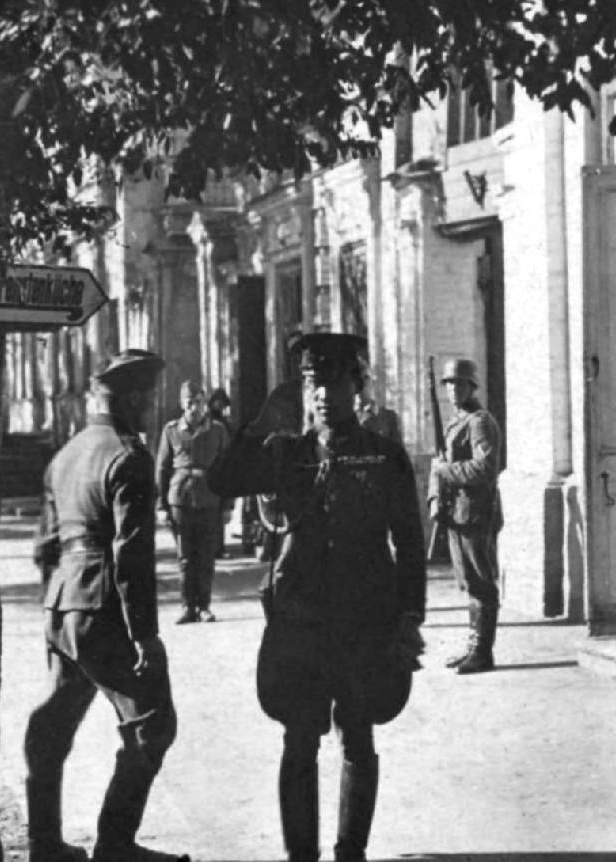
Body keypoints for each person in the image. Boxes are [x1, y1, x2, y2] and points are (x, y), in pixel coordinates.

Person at [208, 332, 426, 862]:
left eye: (335, 383)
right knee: (299, 739)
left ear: (357, 386)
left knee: (358, 736)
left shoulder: (385, 456)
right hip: (300, 622)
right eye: (312, 383)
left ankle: (351, 852)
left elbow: (410, 543)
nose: (323, 394)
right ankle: (300, 856)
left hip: (364, 619)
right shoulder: (288, 453)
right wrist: (260, 424)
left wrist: (409, 617)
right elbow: (222, 481)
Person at [25, 349, 186, 862]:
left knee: (52, 724)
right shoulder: (129, 457)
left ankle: (44, 842)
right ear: (133, 398)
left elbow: (44, 547)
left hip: (62, 605)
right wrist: (145, 636)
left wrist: (57, 607)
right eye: (149, 399)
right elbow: (131, 556)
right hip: (103, 606)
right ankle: (115, 844)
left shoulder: (65, 455)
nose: (151, 409)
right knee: (153, 723)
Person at [427, 358, 503, 675]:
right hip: (458, 513)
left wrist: (446, 471)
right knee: (470, 582)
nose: (453, 390)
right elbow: (438, 462)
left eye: (459, 384)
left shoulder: (479, 422)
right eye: (449, 384)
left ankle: (483, 652)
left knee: (482, 582)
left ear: (471, 387)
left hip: (476, 513)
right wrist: (435, 498)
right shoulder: (457, 421)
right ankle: (473, 647)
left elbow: (485, 468)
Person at [156, 380, 232, 624]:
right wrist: (161, 506)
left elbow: (227, 468)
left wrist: (228, 505)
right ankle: (187, 606)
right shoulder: (171, 431)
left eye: (199, 402)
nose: (194, 408)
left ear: (205, 404)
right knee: (185, 557)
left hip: (209, 498)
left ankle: (204, 606)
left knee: (206, 556)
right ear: (182, 404)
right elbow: (162, 469)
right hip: (180, 499)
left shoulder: (217, 431)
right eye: (189, 403)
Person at [207, 388, 233, 558]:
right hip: (211, 468)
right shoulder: (208, 421)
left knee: (220, 511)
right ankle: (213, 547)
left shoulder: (224, 424)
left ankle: (219, 547)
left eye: (222, 404)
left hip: (221, 469)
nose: (220, 406)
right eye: (218, 402)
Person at [354, 364, 402, 445]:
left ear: (373, 383)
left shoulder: (390, 418)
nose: (363, 384)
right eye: (358, 379)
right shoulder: (346, 420)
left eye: (366, 378)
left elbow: (398, 450)